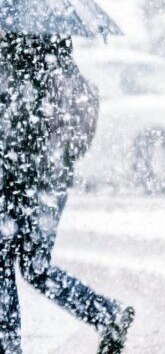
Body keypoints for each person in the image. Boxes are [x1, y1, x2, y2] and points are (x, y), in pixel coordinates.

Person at [0, 32, 134, 354]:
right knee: (35, 267)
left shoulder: (19, 70)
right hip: (51, 184)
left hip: (19, 181)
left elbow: (12, 135)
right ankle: (105, 313)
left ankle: (7, 345)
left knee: (5, 263)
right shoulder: (66, 71)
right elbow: (77, 139)